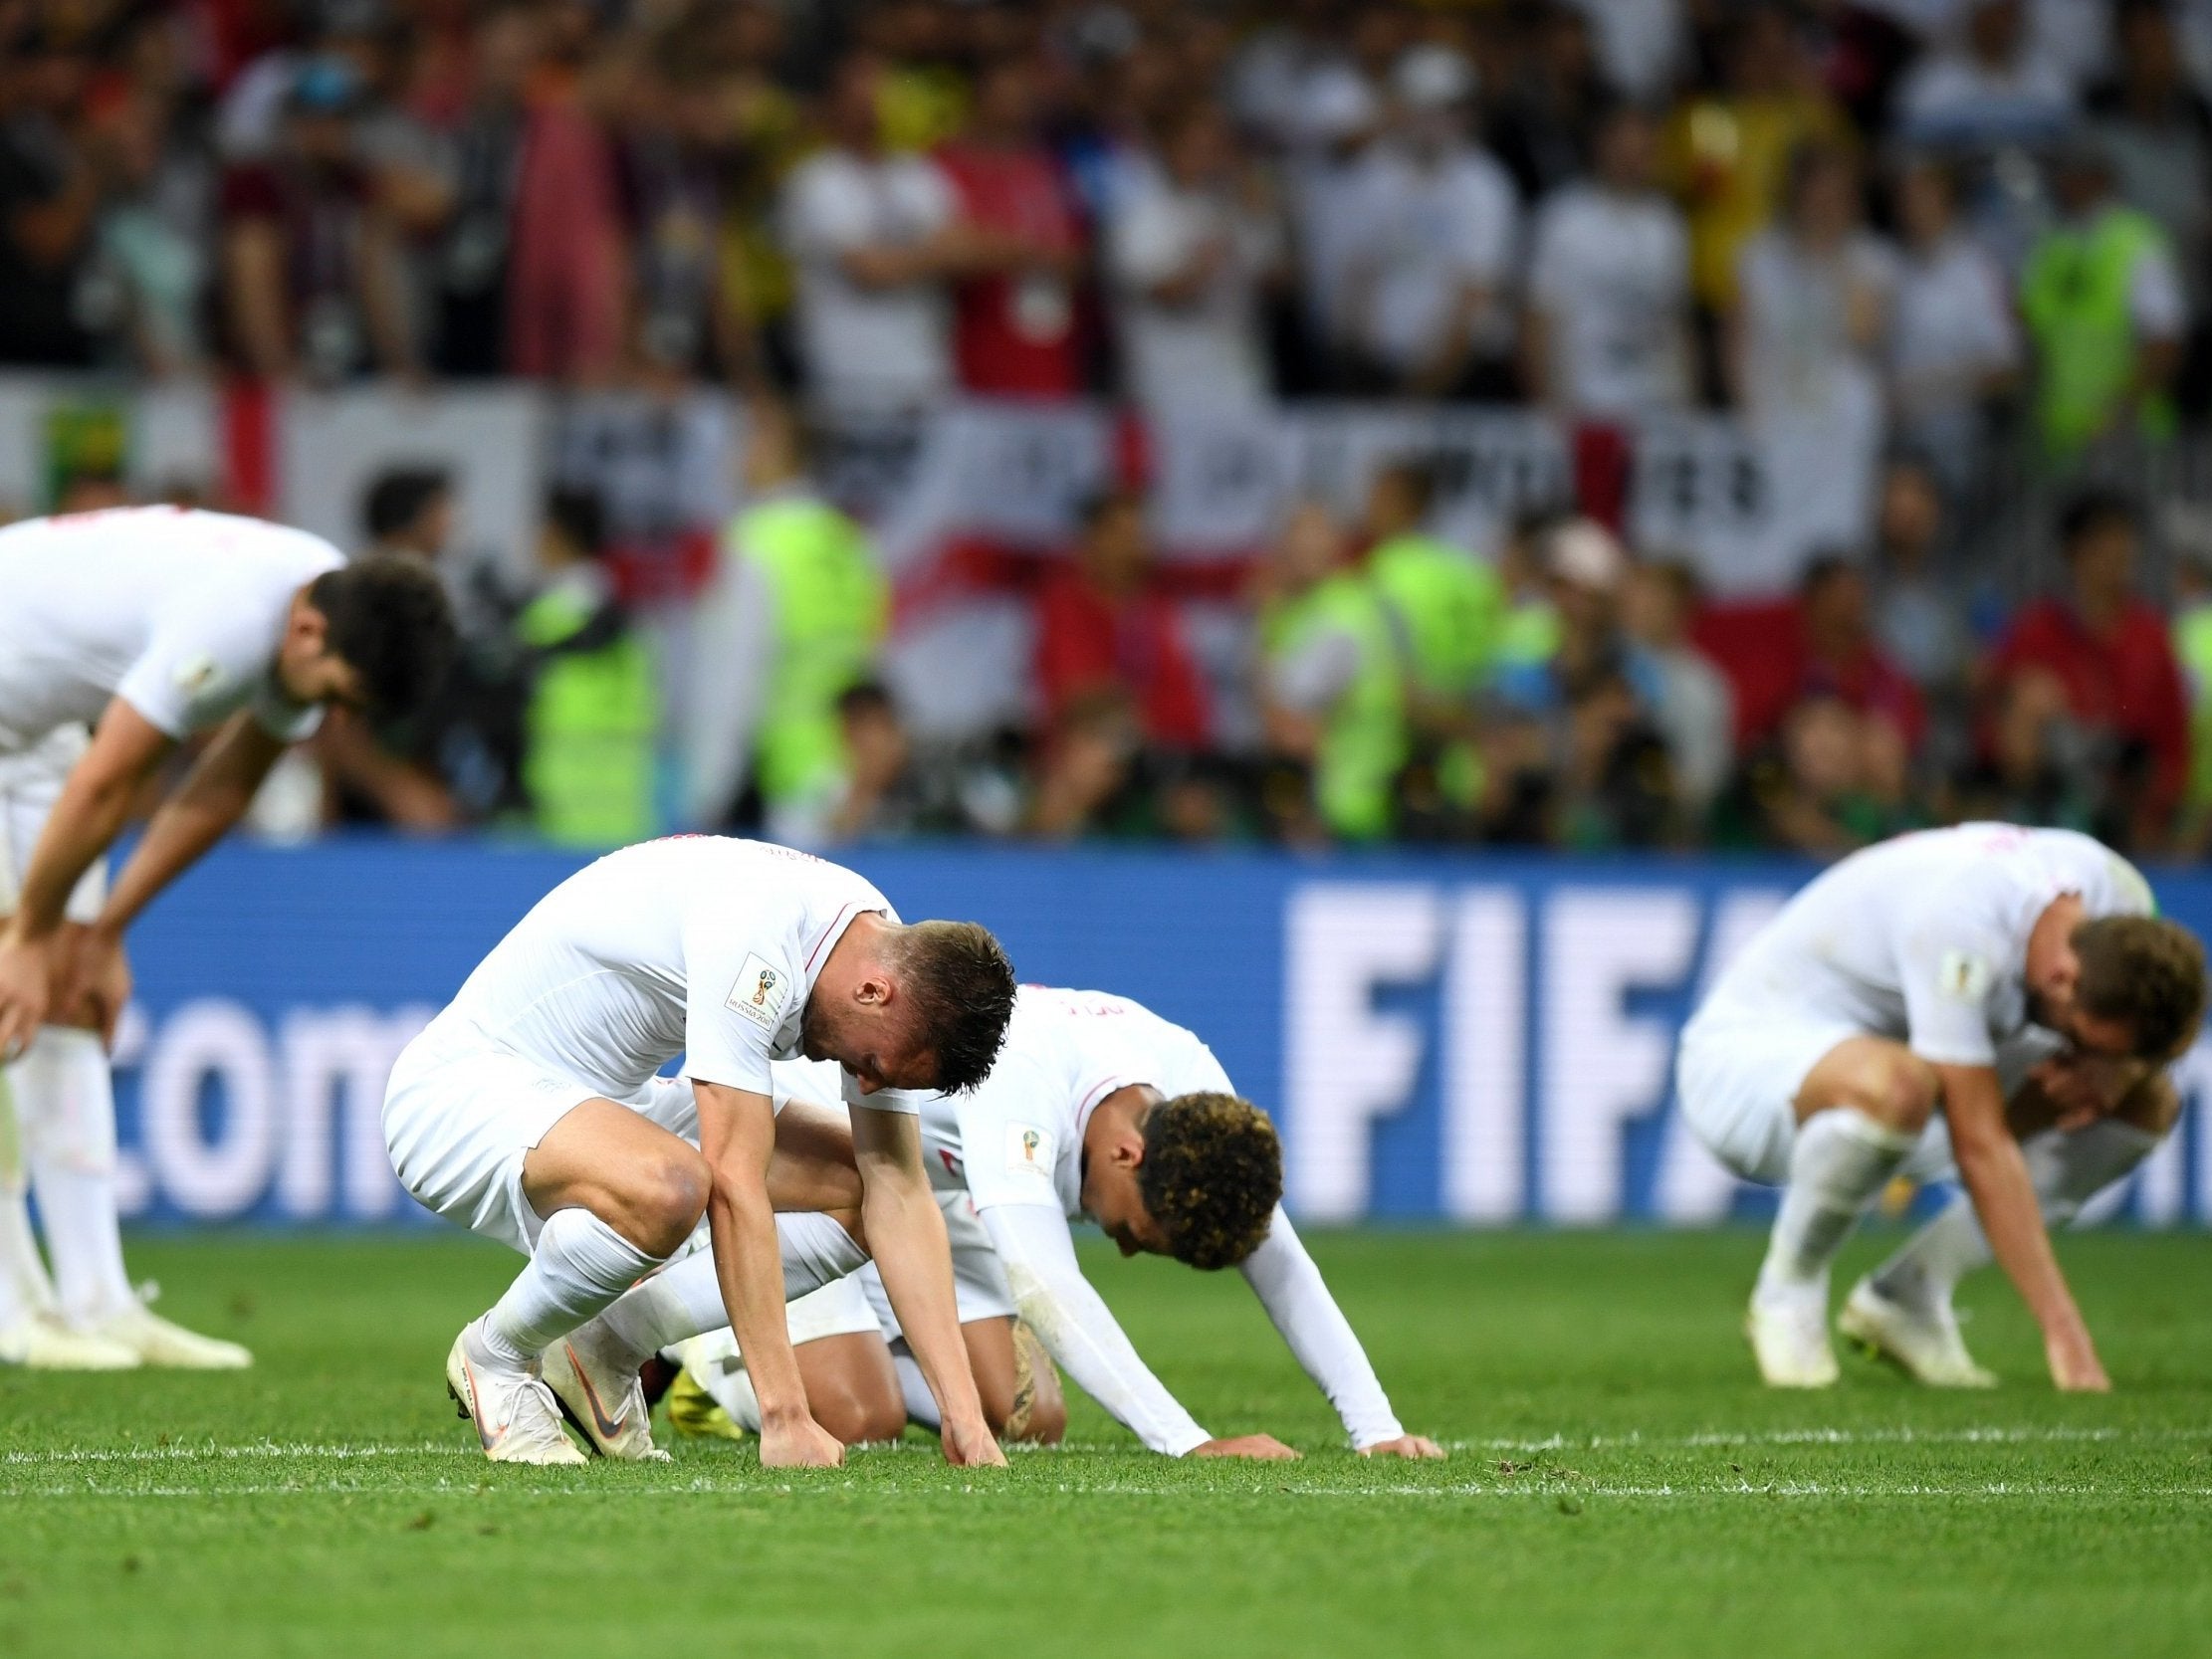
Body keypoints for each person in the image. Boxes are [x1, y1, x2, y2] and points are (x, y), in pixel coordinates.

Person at [379, 836, 1018, 1467]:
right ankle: (497, 1354)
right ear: (875, 993)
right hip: (461, 1095)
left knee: (859, 1180)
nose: (867, 1084)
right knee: (677, 1185)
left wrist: (964, 1418)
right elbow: (735, 1182)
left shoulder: (870, 940)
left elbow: (899, 1191)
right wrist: (785, 1417)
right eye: (876, 1064)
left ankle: (605, 1346)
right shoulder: (757, 939)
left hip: (598, 1105)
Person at [0, 506, 454, 1368]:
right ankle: (10, 1307)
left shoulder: (317, 596)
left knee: (63, 997)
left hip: (28, 731)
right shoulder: (235, 617)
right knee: (11, 978)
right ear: (309, 631)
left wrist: (100, 932)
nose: (329, 720)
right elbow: (109, 781)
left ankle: (95, 1300)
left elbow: (220, 787)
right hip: (31, 732)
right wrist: (28, 933)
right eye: (335, 697)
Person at [677, 985, 1445, 1463]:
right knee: (857, 1413)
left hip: (925, 1193)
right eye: (1144, 1229)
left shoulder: (1189, 1081)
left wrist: (1374, 1425)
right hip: (806, 1167)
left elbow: (1285, 1265)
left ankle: (855, 1338)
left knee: (1030, 1415)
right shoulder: (1025, 1077)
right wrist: (1188, 1440)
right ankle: (692, 1357)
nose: (1131, 1248)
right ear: (1125, 1150)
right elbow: (1046, 1282)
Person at [1677, 823, 2205, 1390]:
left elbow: (2140, 1051)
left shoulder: (2116, 892)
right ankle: (1788, 1293)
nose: (2079, 1054)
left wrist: (2119, 1071)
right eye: (2084, 1040)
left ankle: (1910, 1295)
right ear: (2062, 978)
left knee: (2145, 1101)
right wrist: (2065, 1333)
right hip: (1746, 1066)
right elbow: (1979, 1146)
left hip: (1898, 1067)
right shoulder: (1961, 928)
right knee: (1899, 1086)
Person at [683, 400, 889, 839]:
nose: (737, 454)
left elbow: (732, 675)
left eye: (749, 439)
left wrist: (707, 790)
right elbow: (870, 651)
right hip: (855, 770)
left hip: (790, 778)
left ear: (777, 448)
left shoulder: (757, 543)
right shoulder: (850, 544)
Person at [1987, 491, 2189, 851]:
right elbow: (1991, 728)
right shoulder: (2035, 631)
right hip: (2051, 797)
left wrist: (2159, 812)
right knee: (2028, 700)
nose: (2117, 553)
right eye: (2103, 541)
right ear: (2073, 551)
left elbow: (2173, 741)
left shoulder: (2151, 636)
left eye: (2124, 541)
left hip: (2129, 801)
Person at [2020, 133, 2187, 458]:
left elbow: (2165, 346)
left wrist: (2118, 415)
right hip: (2059, 439)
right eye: (2063, 173)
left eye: (2074, 173)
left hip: (2129, 436)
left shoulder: (2139, 243)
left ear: (2100, 178)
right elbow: (2033, 341)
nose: (2064, 182)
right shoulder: (2051, 246)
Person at [1523, 101, 1691, 422]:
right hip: (1584, 404)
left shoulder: (1666, 224)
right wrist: (1548, 407)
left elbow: (1675, 322)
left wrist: (1686, 406)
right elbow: (1536, 320)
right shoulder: (1563, 218)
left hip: (1654, 407)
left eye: (1642, 149)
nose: (1632, 160)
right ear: (1600, 146)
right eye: (1624, 148)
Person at [514, 490, 659, 847]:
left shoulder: (542, 622)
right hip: (626, 816)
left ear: (555, 535)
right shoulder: (633, 625)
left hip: (553, 818)